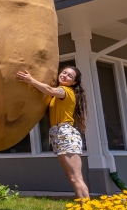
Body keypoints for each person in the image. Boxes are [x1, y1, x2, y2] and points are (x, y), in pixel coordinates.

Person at [16, 66, 90, 199]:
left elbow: (49, 89)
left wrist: (30, 80)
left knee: (76, 177)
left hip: (65, 134)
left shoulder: (65, 91)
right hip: (59, 134)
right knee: (72, 176)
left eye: (70, 76)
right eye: (64, 72)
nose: (65, 75)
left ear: (74, 82)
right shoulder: (58, 94)